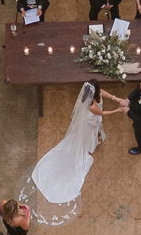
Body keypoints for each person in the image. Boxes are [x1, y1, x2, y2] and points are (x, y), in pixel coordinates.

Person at [25, 81, 126, 223]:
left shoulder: (93, 95)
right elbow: (102, 113)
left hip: (92, 122)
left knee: (93, 133)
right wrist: (118, 110)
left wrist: (116, 99)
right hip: (90, 123)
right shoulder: (91, 106)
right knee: (89, 136)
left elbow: (102, 92)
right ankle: (90, 144)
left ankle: (94, 139)